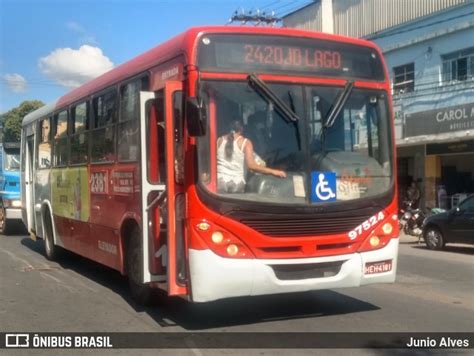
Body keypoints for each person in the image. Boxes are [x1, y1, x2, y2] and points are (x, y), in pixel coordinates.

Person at [217, 120, 286, 193]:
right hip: (237, 183)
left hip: (219, 181)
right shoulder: (245, 143)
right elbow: (252, 166)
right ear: (241, 129)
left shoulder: (219, 140)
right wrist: (273, 171)